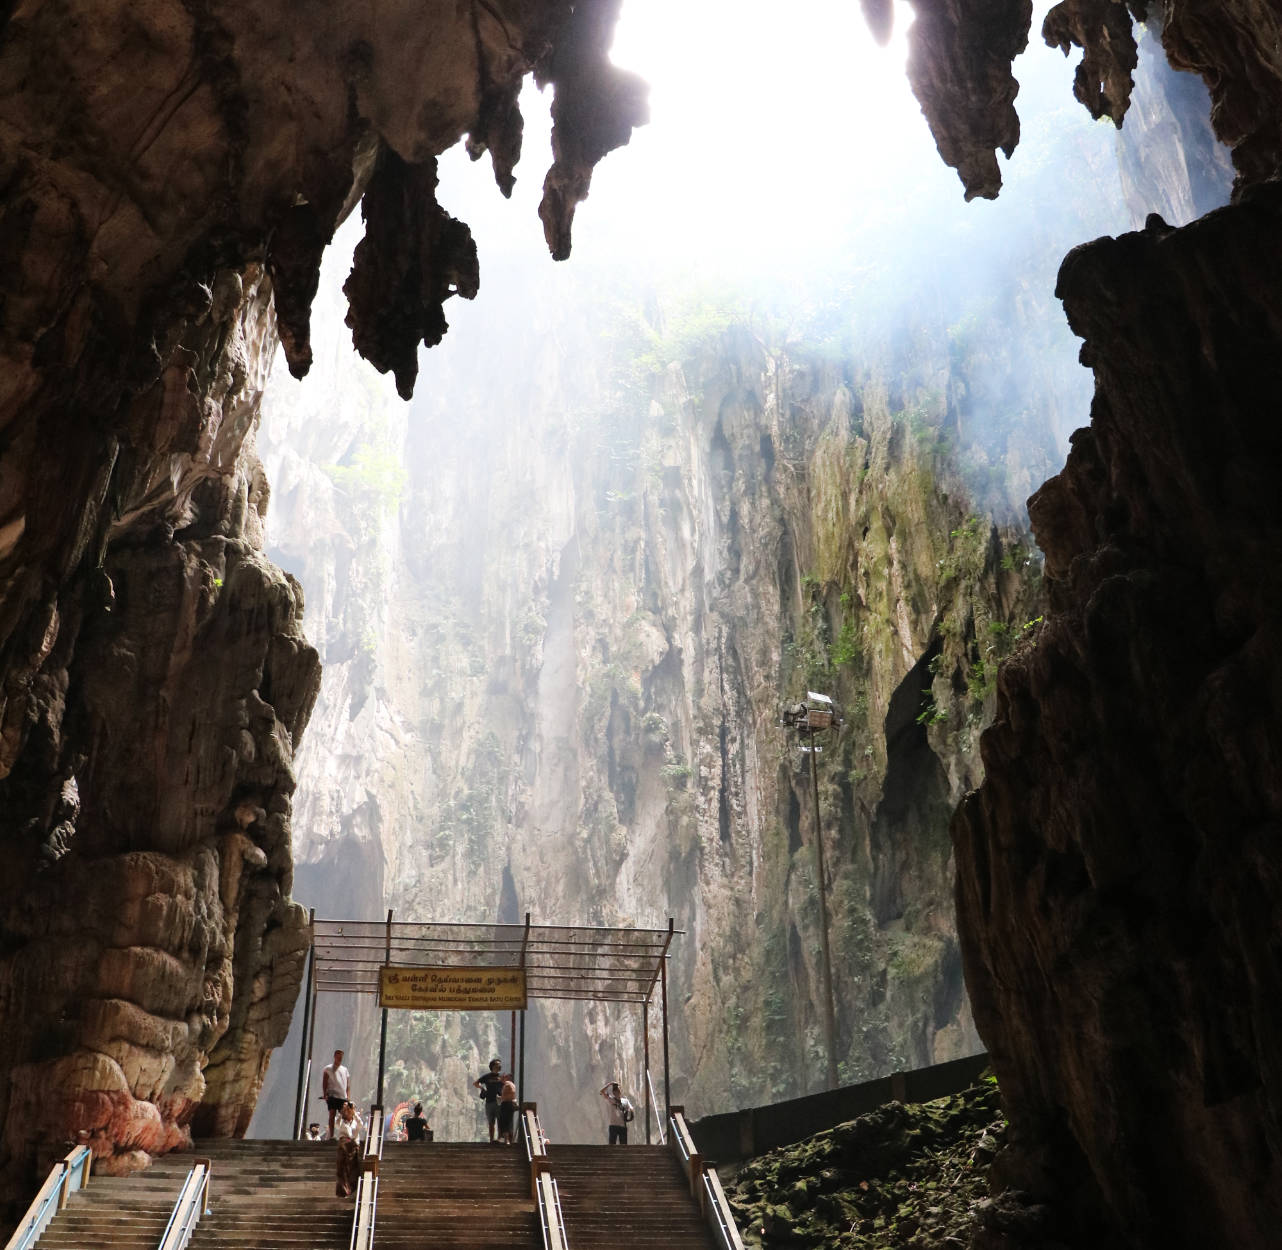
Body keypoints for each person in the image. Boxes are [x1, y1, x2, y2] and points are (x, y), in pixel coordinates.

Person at [334, 1101, 365, 1198]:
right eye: (346, 1108)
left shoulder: (356, 1122)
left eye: (350, 1108)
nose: (348, 1110)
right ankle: (342, 1190)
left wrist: (354, 1113)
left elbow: (361, 1125)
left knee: (352, 1169)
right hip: (343, 1145)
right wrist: (342, 1113)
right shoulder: (341, 1121)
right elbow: (336, 1125)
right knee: (342, 1168)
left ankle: (352, 1189)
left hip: (353, 1148)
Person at [322, 1049, 352, 1139]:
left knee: (345, 1115)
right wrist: (325, 1094)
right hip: (332, 1095)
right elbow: (325, 1082)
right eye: (338, 1056)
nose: (340, 1058)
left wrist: (348, 1097)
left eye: (341, 1057)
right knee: (332, 1114)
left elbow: (348, 1085)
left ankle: (344, 1135)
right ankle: (331, 1135)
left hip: (343, 1096)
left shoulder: (345, 1069)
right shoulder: (328, 1069)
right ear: (335, 1056)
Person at [473, 1058, 504, 1142]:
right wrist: (482, 1088)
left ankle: (499, 1139)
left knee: (500, 1122)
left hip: (499, 1102)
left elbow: (506, 1086)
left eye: (500, 1064)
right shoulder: (487, 1076)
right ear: (492, 1066)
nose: (499, 1066)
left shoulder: (502, 1077)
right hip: (489, 1102)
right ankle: (491, 1140)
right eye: (497, 1064)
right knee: (491, 1122)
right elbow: (475, 1083)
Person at [600, 1081, 634, 1146]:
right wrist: (609, 1084)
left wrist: (629, 1114)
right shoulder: (611, 1099)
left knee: (623, 1146)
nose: (617, 1091)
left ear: (620, 1091)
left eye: (617, 1090)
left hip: (622, 1126)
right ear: (613, 1092)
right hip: (613, 1125)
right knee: (612, 1145)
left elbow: (631, 1109)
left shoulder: (625, 1101)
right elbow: (601, 1092)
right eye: (615, 1090)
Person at [497, 1074, 518, 1145]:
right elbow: (510, 1095)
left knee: (505, 1122)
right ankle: (505, 1139)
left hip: (506, 1104)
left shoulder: (508, 1084)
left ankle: (506, 1140)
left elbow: (509, 1096)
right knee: (506, 1121)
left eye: (504, 1077)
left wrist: (500, 1098)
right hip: (508, 1104)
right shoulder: (510, 1085)